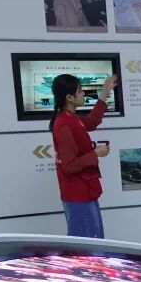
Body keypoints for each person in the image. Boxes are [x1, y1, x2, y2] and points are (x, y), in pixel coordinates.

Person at [50, 72, 116, 237]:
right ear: (69, 97)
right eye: (79, 91)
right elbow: (69, 166)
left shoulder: (71, 119)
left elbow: (92, 121)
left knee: (93, 239)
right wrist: (95, 153)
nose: (83, 93)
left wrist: (104, 94)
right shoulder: (64, 124)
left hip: (84, 191)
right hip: (77, 194)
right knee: (87, 242)